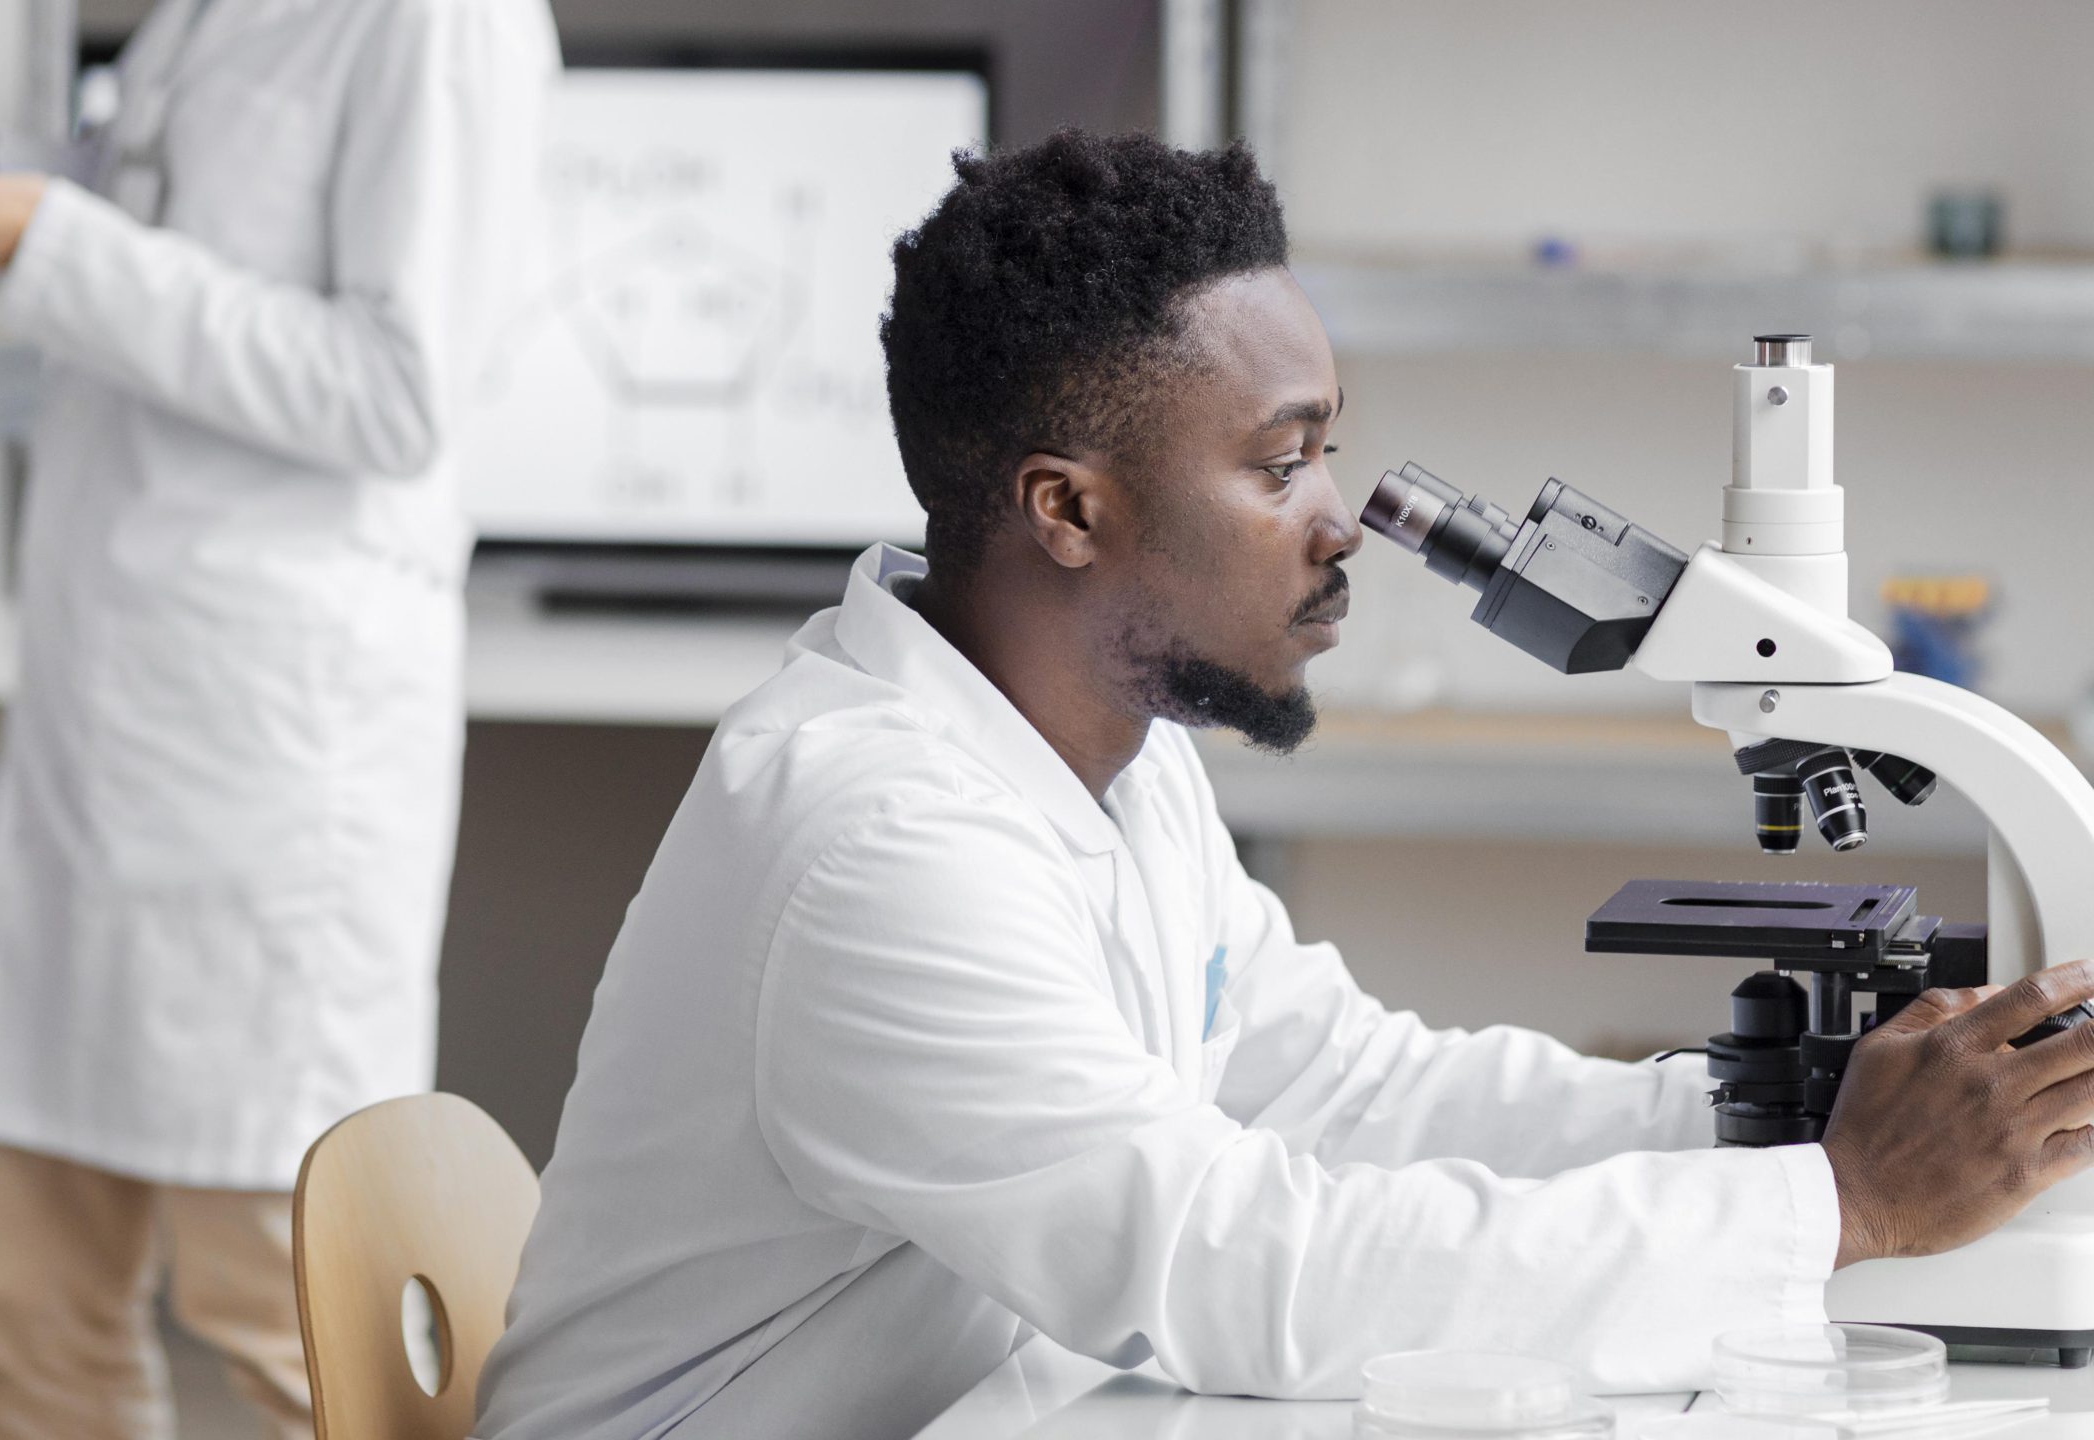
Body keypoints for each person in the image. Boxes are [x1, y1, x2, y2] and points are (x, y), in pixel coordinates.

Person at [471, 130, 2094, 1440]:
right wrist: (1845, 1202)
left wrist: (1752, 1119)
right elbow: (1258, 1274)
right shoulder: (874, 846)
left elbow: (1334, 1088)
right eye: (1278, 461)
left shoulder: (1104, 749)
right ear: (1069, 511)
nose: (1341, 520)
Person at [0, 1, 558, 1435]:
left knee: (283, 1309)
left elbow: (397, 395)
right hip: (108, 707)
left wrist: (52, 243)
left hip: (276, 744)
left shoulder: (440, 22)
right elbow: (175, 241)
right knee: (25, 1285)